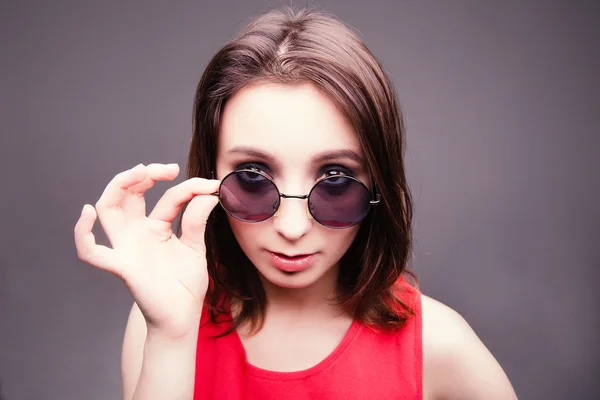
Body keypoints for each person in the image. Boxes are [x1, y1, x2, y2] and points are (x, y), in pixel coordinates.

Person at [74, 6, 518, 400]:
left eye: (336, 181)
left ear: (378, 181)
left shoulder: (440, 346)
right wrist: (171, 338)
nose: (291, 227)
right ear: (210, 174)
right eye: (252, 177)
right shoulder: (163, 319)